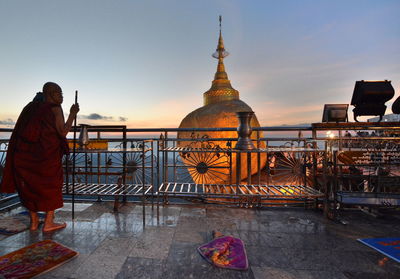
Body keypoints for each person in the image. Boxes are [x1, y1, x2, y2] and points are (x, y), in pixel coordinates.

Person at [0, 82, 79, 232]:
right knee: (52, 187)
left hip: (26, 155)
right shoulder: (54, 108)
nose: (61, 96)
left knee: (31, 187)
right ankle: (48, 223)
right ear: (49, 93)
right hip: (47, 157)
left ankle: (34, 223)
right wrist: (73, 113)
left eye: (62, 93)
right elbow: (62, 132)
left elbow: (21, 132)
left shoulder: (30, 109)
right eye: (58, 92)